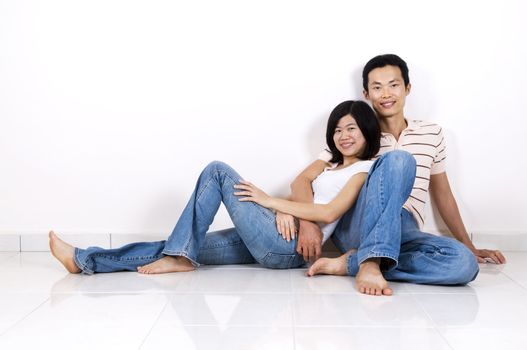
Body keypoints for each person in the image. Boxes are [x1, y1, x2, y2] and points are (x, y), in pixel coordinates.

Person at [49, 100, 381, 275]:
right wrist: (281, 209)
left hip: (289, 249)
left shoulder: (367, 169)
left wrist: (273, 202)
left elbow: (329, 211)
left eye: (351, 128)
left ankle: (179, 257)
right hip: (275, 236)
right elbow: (300, 183)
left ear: (367, 131)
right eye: (337, 130)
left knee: (218, 172)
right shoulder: (328, 164)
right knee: (181, 243)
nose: (344, 136)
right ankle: (84, 260)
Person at [291, 54, 506, 296]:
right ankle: (370, 262)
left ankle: (351, 263)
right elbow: (304, 180)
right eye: (377, 87)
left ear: (407, 88)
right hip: (360, 223)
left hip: (406, 228)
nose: (385, 94)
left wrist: (469, 245)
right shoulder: (354, 134)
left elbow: (443, 194)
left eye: (393, 85)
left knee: (464, 264)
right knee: (399, 160)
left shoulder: (432, 134)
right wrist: (308, 223)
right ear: (366, 93)